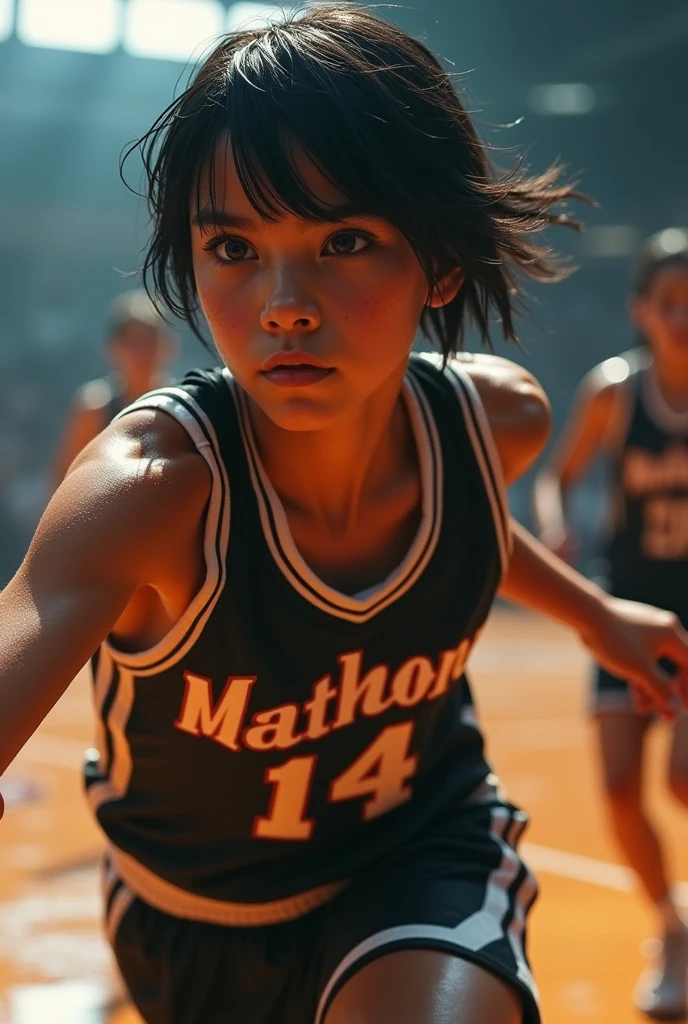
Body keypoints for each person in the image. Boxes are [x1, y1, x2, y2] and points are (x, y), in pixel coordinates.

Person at [0, 9, 686, 1024]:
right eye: (232, 244)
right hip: (185, 919)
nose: (284, 302)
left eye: (345, 240)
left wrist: (594, 613)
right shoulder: (150, 488)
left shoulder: (499, 421)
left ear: (441, 263)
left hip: (422, 853)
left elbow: (466, 528)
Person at [534, 228, 688, 1020]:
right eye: (671, 304)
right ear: (642, 312)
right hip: (625, 607)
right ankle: (672, 925)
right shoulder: (614, 393)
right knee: (624, 792)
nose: (684, 318)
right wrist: (559, 525)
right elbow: (557, 479)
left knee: (682, 778)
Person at [52, 289, 175, 486]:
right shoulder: (94, 408)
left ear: (167, 346)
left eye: (150, 340)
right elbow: (64, 481)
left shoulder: (181, 407)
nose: (143, 352)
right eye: (134, 342)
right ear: (113, 348)